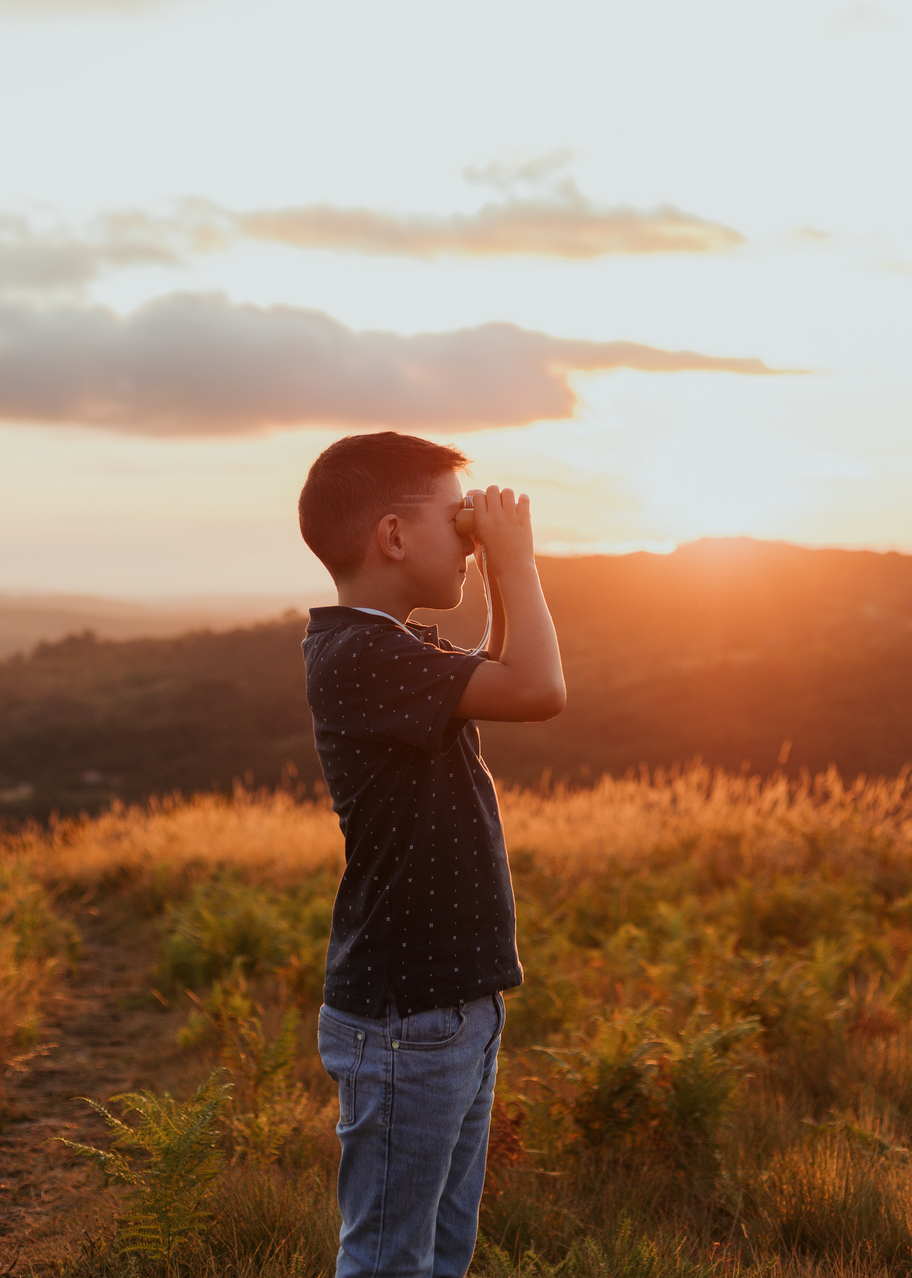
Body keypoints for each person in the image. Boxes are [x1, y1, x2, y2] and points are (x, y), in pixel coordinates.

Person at [299, 430, 566, 1278]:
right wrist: (517, 561)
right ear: (393, 536)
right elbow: (537, 687)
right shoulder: (362, 653)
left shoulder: (389, 647)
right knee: (389, 1261)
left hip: (447, 1003)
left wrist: (494, 566)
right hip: (407, 1015)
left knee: (439, 1255)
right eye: (457, 521)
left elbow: (498, 669)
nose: (470, 538)